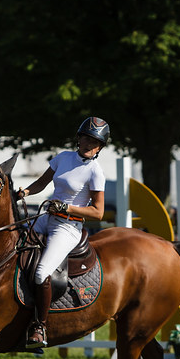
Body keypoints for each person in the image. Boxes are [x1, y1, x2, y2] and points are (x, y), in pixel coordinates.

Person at [16, 117, 108, 347]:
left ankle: (40, 327)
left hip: (68, 227)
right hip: (46, 217)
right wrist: (24, 192)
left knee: (40, 273)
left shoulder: (95, 171)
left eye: (95, 142)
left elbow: (98, 213)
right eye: (86, 138)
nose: (89, 144)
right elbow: (41, 183)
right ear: (79, 138)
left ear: (100, 147)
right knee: (14, 251)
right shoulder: (63, 158)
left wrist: (68, 207)